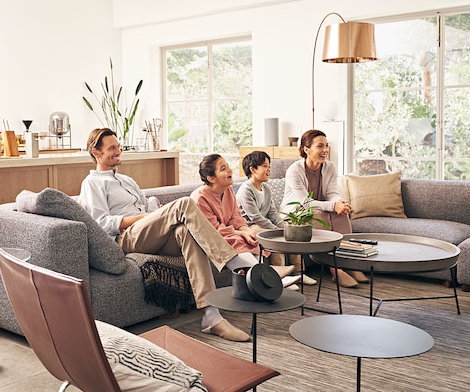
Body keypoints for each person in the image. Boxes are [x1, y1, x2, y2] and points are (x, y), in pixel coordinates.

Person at [78, 128, 261, 342]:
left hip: (149, 233)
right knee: (185, 203)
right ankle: (237, 264)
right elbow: (101, 223)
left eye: (119, 146)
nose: (119, 151)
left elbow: (148, 205)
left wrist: (158, 211)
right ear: (96, 152)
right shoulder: (92, 184)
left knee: (187, 232)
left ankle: (211, 316)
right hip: (127, 237)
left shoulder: (127, 180)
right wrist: (146, 217)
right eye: (112, 148)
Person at [190, 153, 300, 288]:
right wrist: (241, 233)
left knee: (252, 239)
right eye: (223, 169)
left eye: (228, 166)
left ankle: (264, 282)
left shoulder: (228, 190)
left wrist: (246, 231)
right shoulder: (200, 198)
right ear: (211, 178)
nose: (230, 170)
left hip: (228, 231)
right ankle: (272, 278)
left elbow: (235, 217)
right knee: (238, 241)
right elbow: (213, 229)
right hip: (210, 236)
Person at [281, 129, 368, 288]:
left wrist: (339, 203)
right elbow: (305, 203)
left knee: (341, 214)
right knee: (320, 213)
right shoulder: (294, 170)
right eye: (320, 146)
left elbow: (331, 194)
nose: (325, 150)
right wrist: (332, 206)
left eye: (326, 146)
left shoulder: (330, 167)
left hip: (319, 207)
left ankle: (350, 263)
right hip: (297, 213)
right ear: (306, 149)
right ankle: (336, 270)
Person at [236, 150, 317, 286]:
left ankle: (298, 273)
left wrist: (284, 226)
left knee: (292, 233)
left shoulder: (266, 188)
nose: (269, 170)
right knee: (274, 237)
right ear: (253, 169)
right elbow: (255, 217)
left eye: (269, 166)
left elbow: (273, 212)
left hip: (263, 223)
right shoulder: (246, 190)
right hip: (250, 225)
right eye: (265, 166)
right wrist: (274, 228)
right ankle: (279, 279)